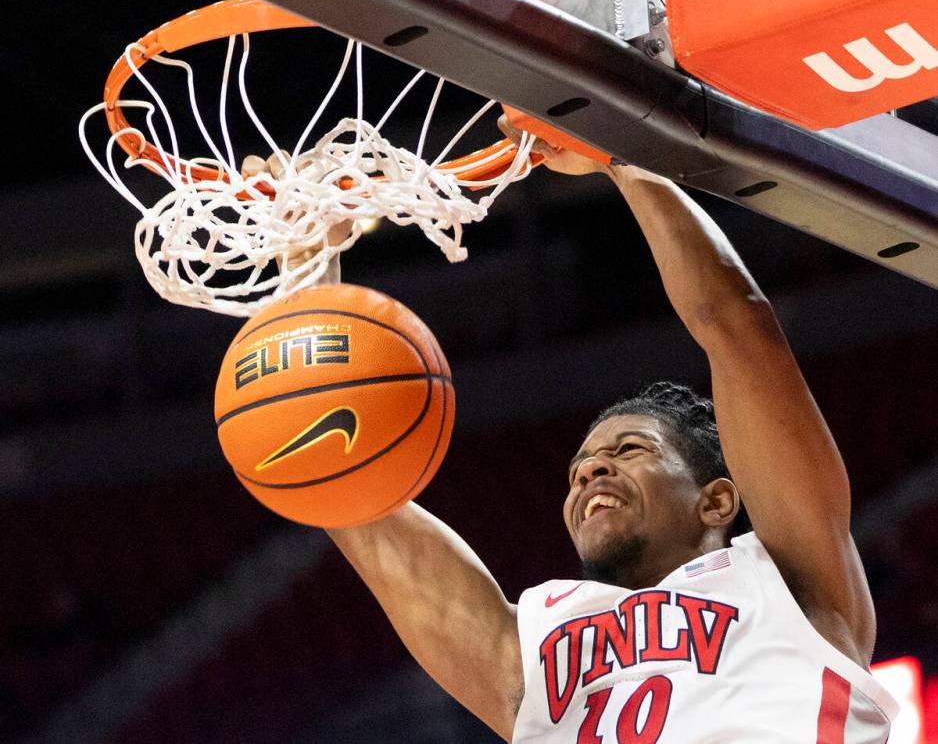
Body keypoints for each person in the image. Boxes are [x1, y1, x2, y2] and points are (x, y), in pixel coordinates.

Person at [324, 124, 899, 742]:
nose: (591, 472)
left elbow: (738, 324)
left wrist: (623, 151)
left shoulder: (788, 580)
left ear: (717, 499)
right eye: (578, 471)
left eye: (629, 450)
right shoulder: (536, 646)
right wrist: (308, 265)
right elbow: (338, 483)